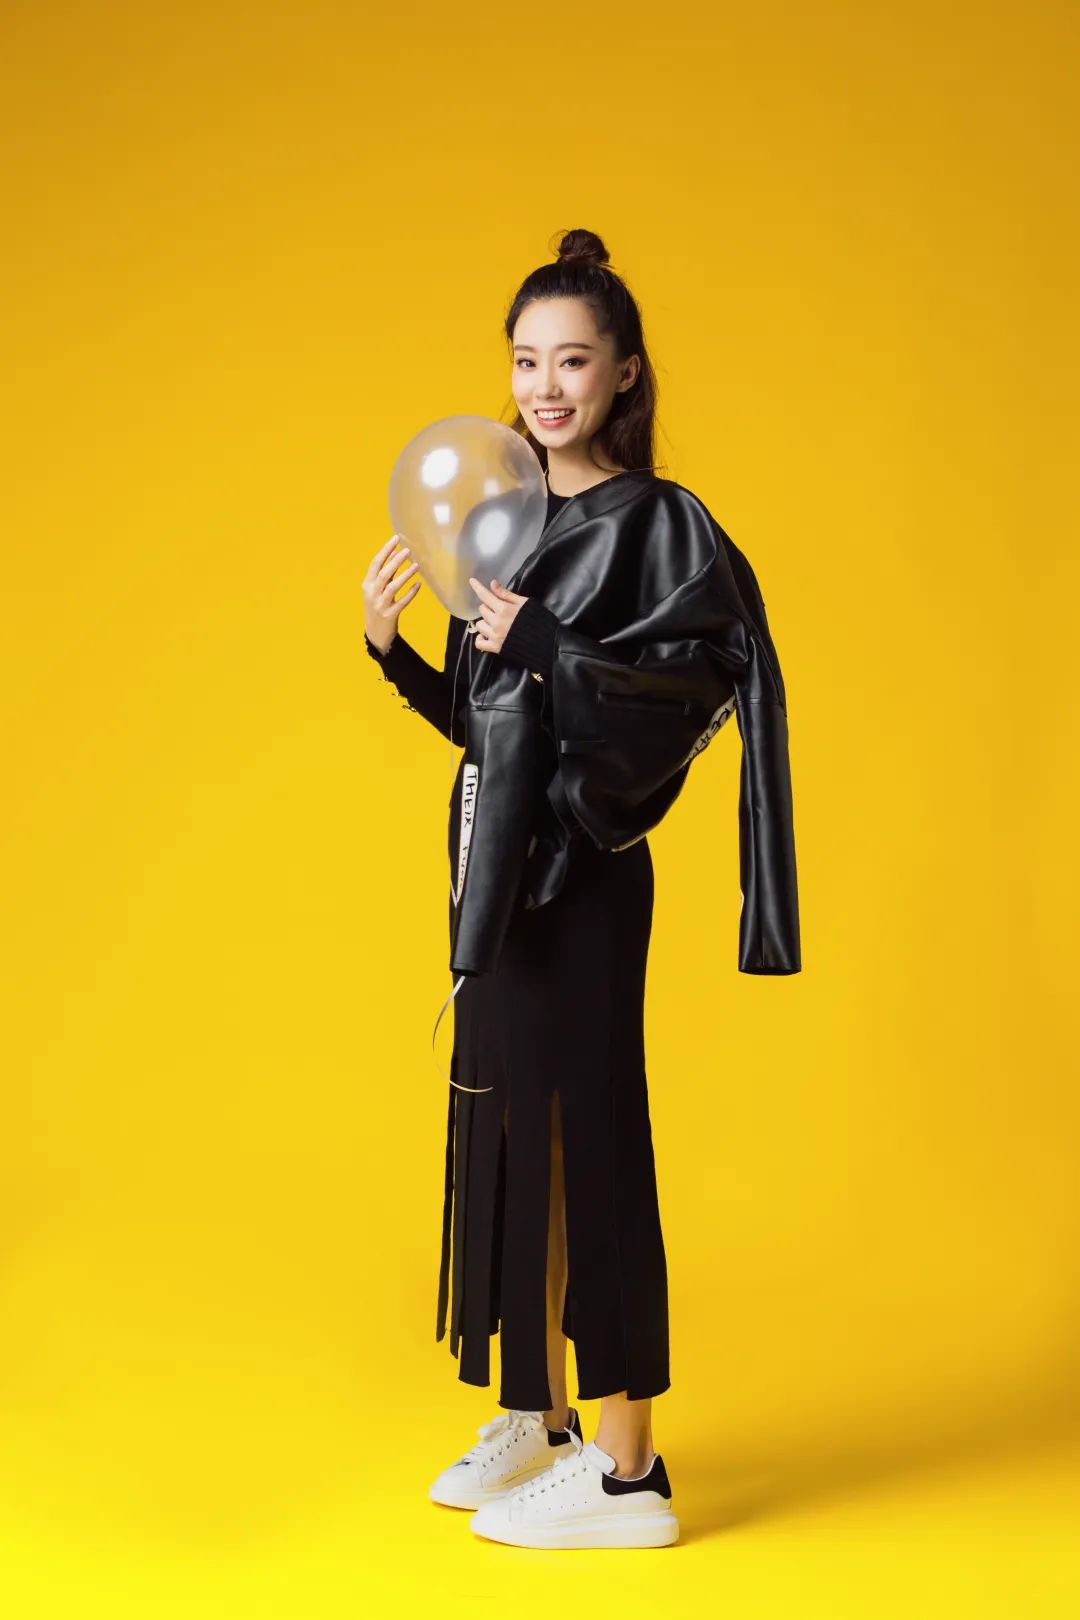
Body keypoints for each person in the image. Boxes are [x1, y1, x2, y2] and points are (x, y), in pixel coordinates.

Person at [361, 228, 799, 1550]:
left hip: (589, 876)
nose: (545, 387)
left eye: (572, 361)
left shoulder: (661, 525)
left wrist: (550, 643)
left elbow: (676, 706)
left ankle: (628, 1469)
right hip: (496, 877)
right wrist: (393, 655)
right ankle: (536, 1414)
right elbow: (493, 726)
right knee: (512, 1133)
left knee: (594, 1139)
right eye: (525, 361)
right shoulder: (501, 519)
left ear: (623, 373)